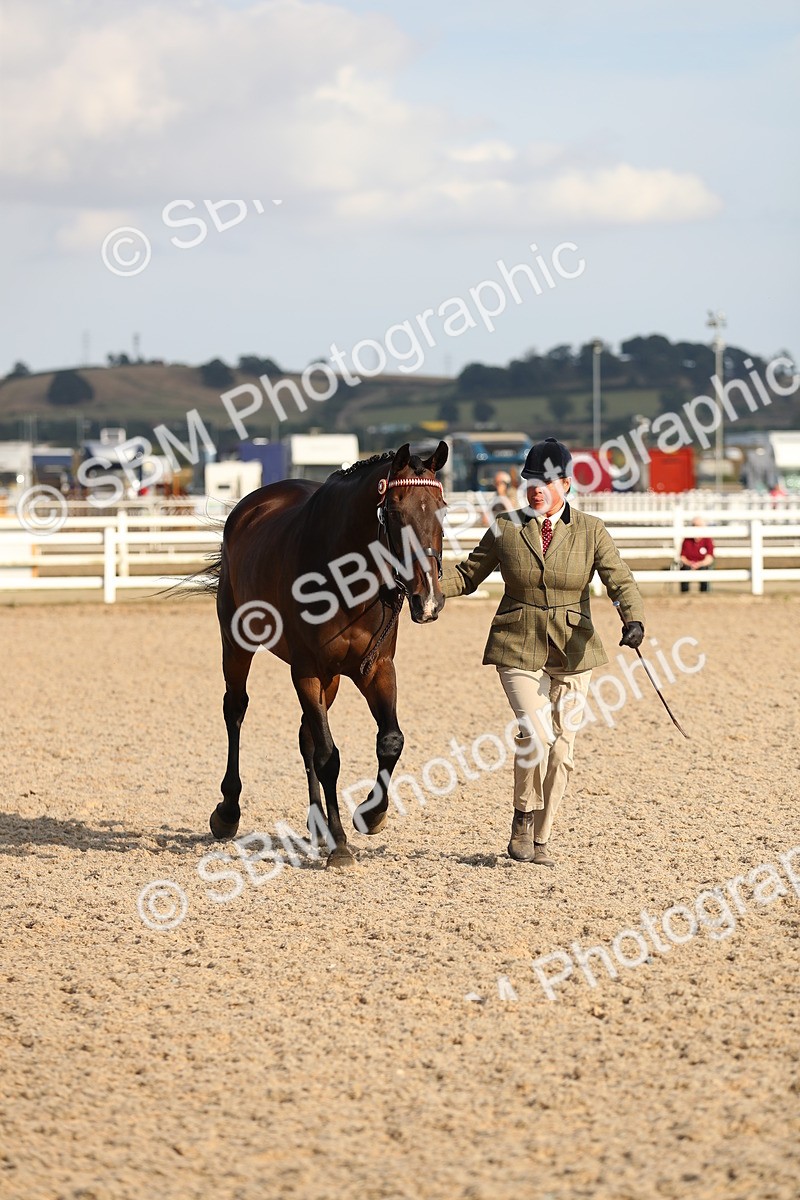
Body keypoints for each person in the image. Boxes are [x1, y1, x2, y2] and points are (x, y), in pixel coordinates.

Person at [441, 436, 645, 867]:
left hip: (575, 649)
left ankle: (541, 838)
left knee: (563, 749)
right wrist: (426, 591)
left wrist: (633, 619)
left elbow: (619, 580)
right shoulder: (506, 526)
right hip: (518, 643)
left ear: (566, 485)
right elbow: (467, 574)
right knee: (536, 734)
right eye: (530, 480)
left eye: (546, 481)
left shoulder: (591, 530)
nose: (536, 488)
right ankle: (522, 815)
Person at [679, 517, 714, 593]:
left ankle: (704, 592)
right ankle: (685, 592)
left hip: (702, 564)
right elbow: (682, 557)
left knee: (704, 569)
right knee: (685, 569)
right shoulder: (687, 540)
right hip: (688, 563)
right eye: (695, 526)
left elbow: (709, 558)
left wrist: (699, 564)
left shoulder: (707, 539)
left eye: (699, 526)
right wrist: (690, 563)